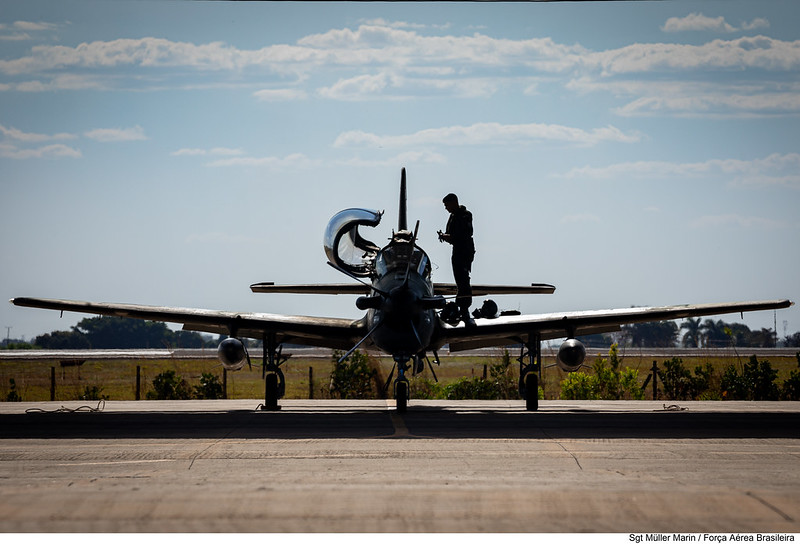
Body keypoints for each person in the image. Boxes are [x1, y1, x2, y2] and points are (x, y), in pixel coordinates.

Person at [438, 193, 475, 326]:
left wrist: (450, 237)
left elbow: (465, 234)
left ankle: (464, 310)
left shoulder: (465, 215)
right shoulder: (453, 216)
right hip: (457, 250)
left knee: (463, 281)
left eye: (447, 205)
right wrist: (446, 236)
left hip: (464, 251)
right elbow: (454, 235)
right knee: (460, 280)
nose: (446, 208)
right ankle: (462, 308)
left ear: (454, 202)